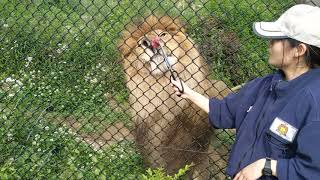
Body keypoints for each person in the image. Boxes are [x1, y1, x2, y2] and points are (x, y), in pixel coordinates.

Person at [171, 4, 320, 180]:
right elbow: (225, 112)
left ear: (299, 50)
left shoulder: (313, 101)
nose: (269, 44)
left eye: (276, 39)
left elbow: (312, 171)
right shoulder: (265, 85)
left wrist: (267, 166)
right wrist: (188, 92)